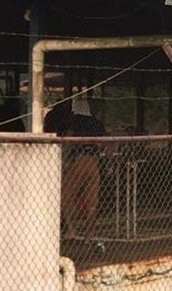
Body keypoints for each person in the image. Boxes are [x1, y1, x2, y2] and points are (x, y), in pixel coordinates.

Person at [61, 98, 106, 242]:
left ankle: (71, 230)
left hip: (79, 160)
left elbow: (67, 139)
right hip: (93, 161)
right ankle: (88, 235)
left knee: (65, 197)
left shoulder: (74, 120)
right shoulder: (96, 123)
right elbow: (102, 143)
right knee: (92, 201)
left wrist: (64, 158)